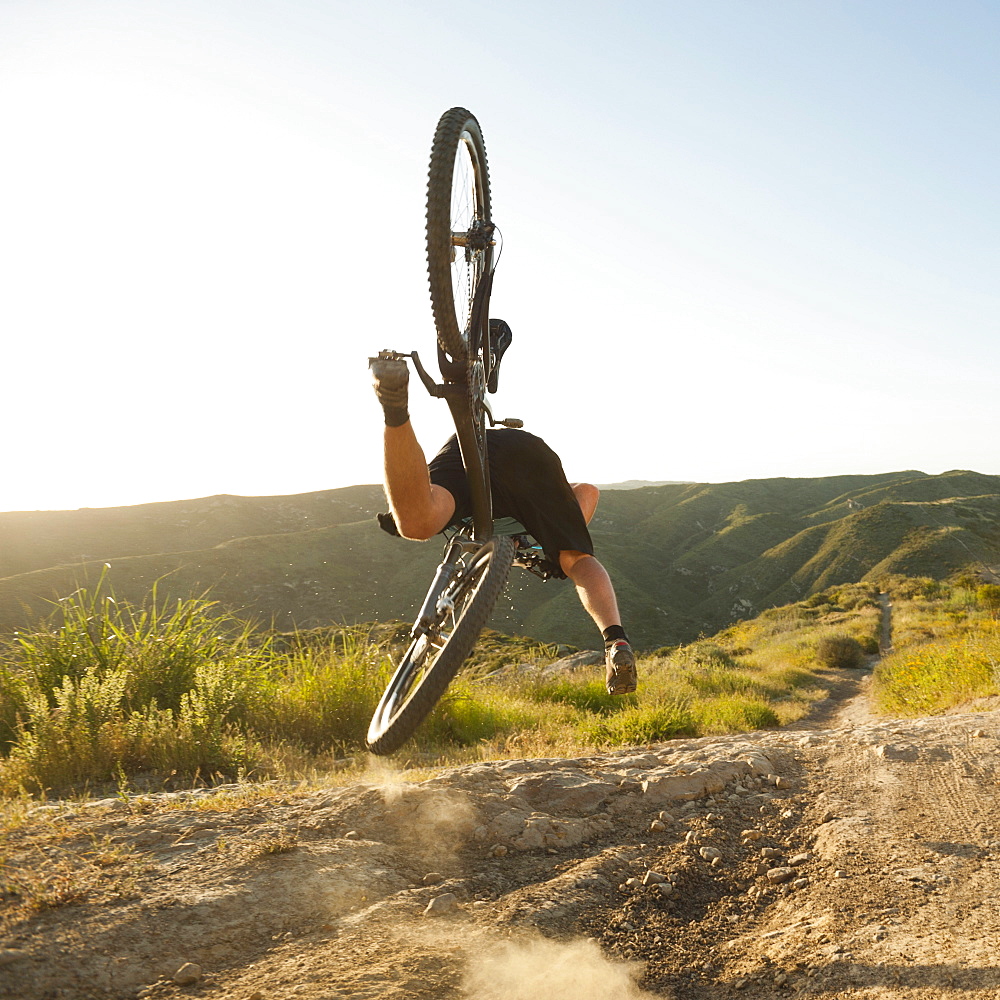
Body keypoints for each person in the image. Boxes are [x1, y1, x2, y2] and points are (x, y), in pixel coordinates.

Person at [368, 337, 637, 695]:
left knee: (417, 521)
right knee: (577, 558)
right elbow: (588, 491)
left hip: (473, 449)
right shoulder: (536, 535)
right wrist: (556, 543)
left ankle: (395, 408)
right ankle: (615, 641)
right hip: (527, 455)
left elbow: (587, 492)